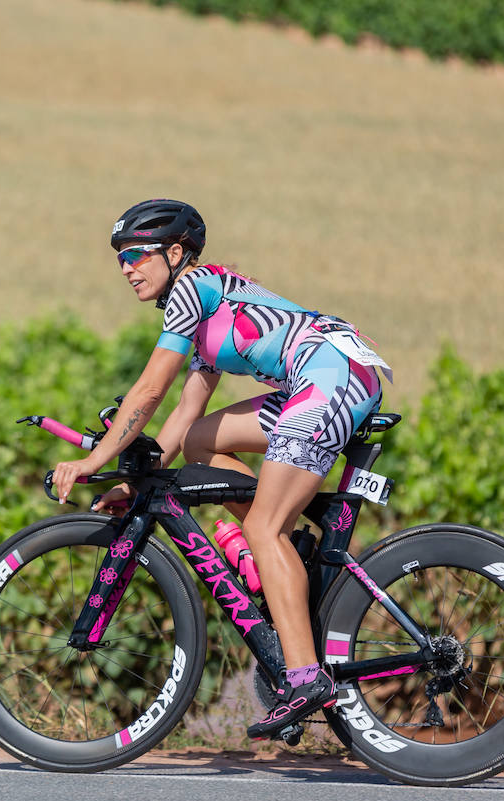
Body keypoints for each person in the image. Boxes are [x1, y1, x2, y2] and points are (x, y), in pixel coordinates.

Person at [51, 198, 389, 739]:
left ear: (176, 252)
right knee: (202, 440)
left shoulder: (190, 289)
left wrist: (94, 458)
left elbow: (151, 387)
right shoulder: (209, 297)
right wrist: (133, 481)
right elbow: (185, 414)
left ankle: (305, 677)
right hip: (324, 379)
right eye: (118, 258)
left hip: (331, 380)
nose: (126, 268)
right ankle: (277, 550)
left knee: (264, 527)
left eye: (137, 254)